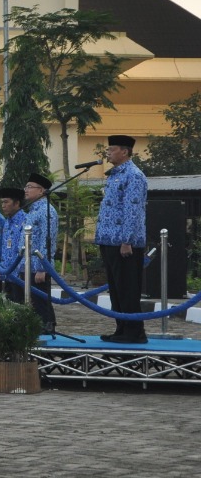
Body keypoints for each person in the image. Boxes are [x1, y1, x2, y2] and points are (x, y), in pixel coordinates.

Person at [95, 136, 148, 344]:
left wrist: (127, 240)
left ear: (124, 152)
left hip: (124, 243)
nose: (107, 153)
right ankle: (121, 329)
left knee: (127, 288)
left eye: (112, 149)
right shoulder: (114, 176)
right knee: (116, 289)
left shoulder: (133, 175)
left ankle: (135, 332)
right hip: (109, 240)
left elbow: (132, 210)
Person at [20, 174, 59, 333]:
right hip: (27, 264)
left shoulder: (46, 210)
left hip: (39, 265)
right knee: (33, 301)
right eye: (26, 186)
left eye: (30, 187)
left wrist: (43, 267)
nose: (26, 190)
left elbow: (48, 240)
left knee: (41, 299)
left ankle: (48, 326)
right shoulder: (32, 210)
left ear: (41, 190)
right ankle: (39, 327)